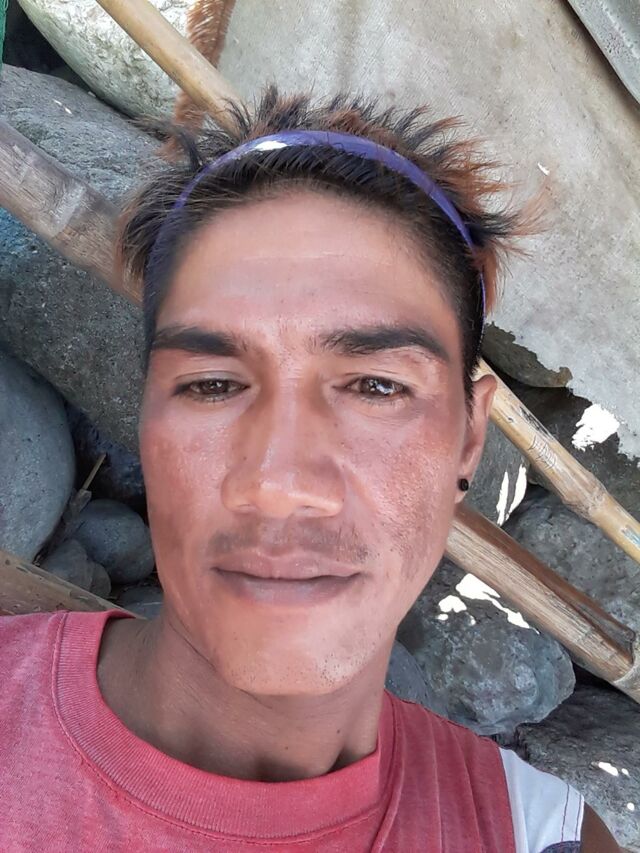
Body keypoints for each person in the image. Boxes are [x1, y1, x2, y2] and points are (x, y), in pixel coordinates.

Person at [0, 89, 620, 852]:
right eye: (212, 385)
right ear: (146, 417)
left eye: (377, 386)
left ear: (468, 440)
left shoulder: (544, 837)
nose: (279, 482)